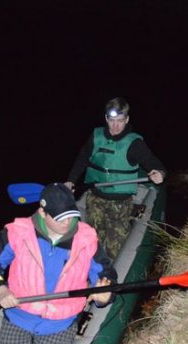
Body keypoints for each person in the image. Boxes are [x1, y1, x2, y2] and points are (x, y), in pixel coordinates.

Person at [0, 182, 116, 344]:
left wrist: (104, 296)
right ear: (42, 213)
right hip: (19, 316)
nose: (68, 223)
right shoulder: (17, 232)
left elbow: (105, 274)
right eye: (60, 218)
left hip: (60, 323)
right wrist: (0, 289)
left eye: (71, 216)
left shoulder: (86, 239)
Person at [65, 97, 166, 259]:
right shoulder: (96, 136)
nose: (116, 126)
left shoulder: (134, 144)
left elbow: (153, 162)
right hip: (95, 199)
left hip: (120, 203)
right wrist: (71, 180)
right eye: (112, 120)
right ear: (106, 118)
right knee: (92, 244)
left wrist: (160, 173)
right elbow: (82, 158)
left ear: (127, 119)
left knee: (115, 251)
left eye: (120, 120)